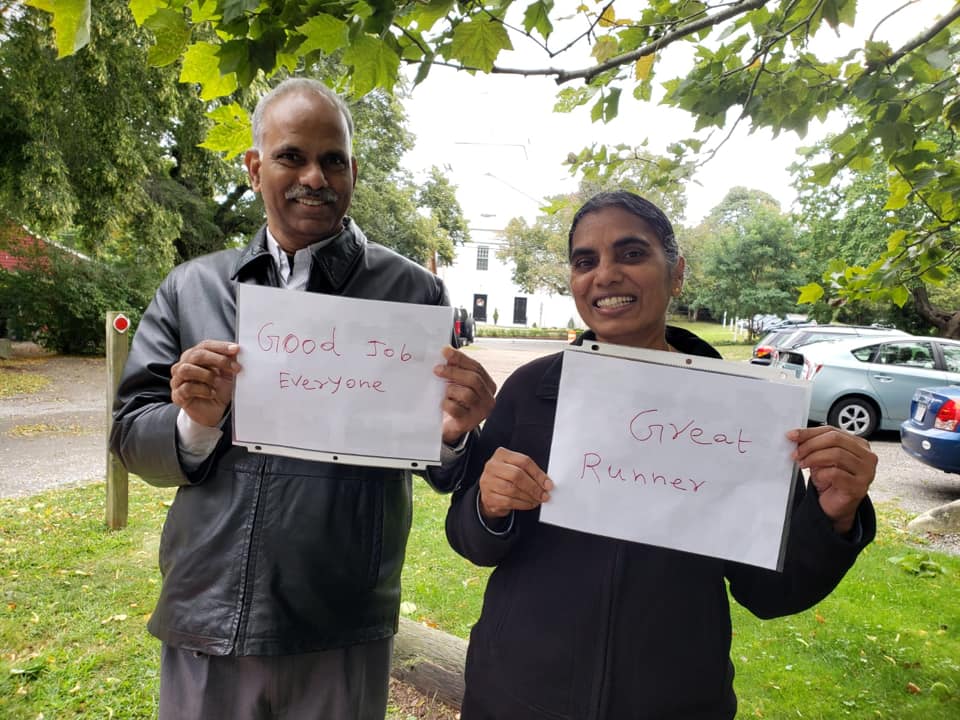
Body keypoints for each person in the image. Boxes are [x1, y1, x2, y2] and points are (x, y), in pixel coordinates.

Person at [109, 77, 495, 720]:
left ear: (352, 168)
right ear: (255, 167)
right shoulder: (191, 288)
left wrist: (453, 433)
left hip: (340, 616)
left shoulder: (413, 292)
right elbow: (130, 437)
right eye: (292, 156)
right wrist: (193, 425)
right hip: (210, 609)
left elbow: (440, 464)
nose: (315, 176)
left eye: (333, 159)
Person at [444, 190, 878, 719]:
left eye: (631, 254)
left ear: (676, 273)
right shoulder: (531, 391)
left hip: (677, 701)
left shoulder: (748, 413)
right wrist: (488, 508)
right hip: (515, 694)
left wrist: (833, 517)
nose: (605, 275)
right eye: (586, 261)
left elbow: (771, 593)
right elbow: (470, 540)